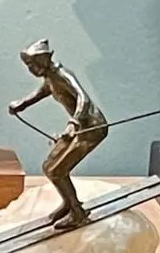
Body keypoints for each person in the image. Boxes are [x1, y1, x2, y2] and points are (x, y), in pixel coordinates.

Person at [9, 39, 107, 227]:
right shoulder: (50, 77)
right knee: (48, 167)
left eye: (32, 64)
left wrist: (73, 122)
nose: (30, 69)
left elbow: (83, 99)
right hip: (78, 128)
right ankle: (69, 204)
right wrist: (22, 104)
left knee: (58, 170)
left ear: (43, 60)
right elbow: (42, 92)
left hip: (92, 128)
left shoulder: (62, 75)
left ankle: (77, 212)